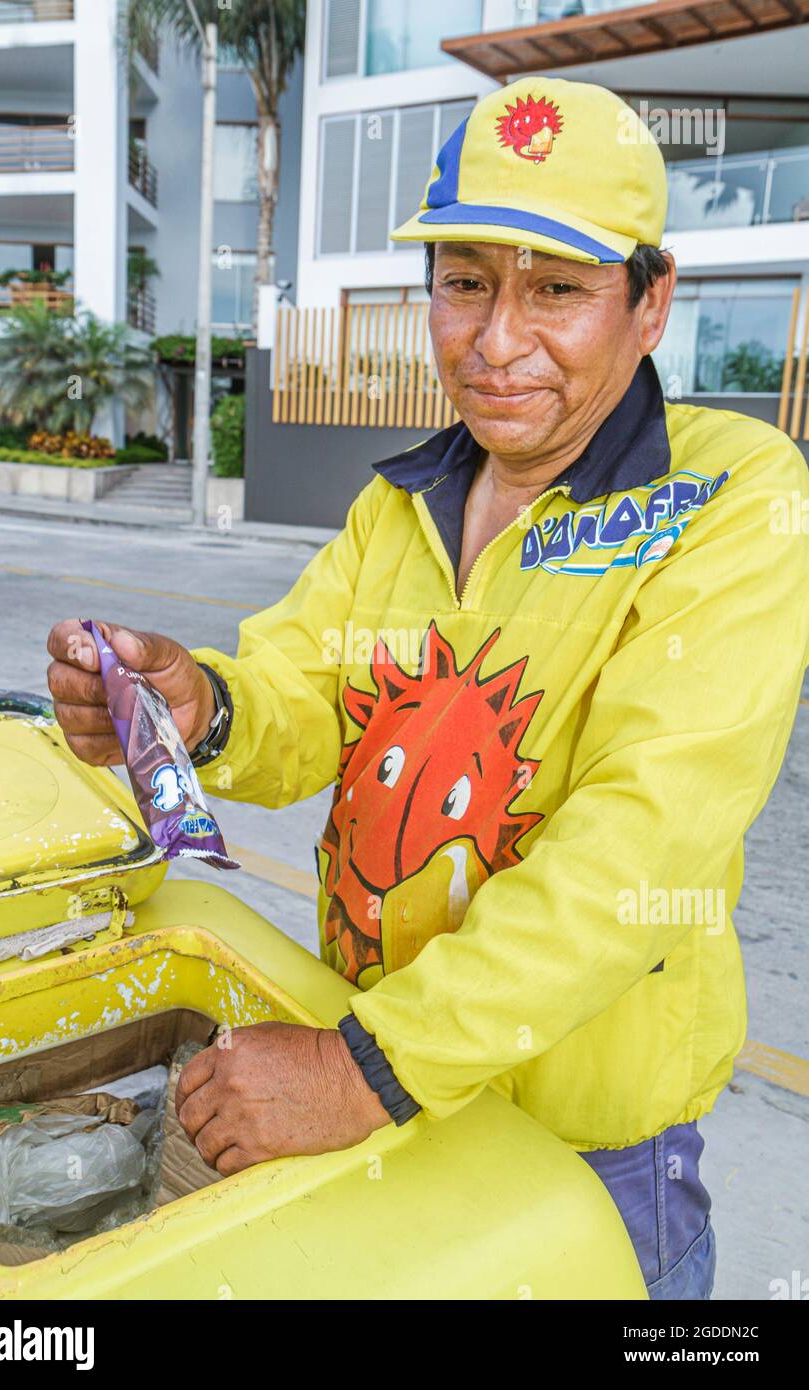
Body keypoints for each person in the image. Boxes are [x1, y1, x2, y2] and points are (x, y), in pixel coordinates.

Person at [47, 76, 809, 1300]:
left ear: (650, 301)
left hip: (582, 1146)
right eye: (465, 284)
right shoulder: (399, 500)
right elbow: (303, 691)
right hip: (385, 1091)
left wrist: (360, 1071)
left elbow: (634, 851)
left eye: (555, 289)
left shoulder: (731, 501)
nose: (495, 341)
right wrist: (203, 704)